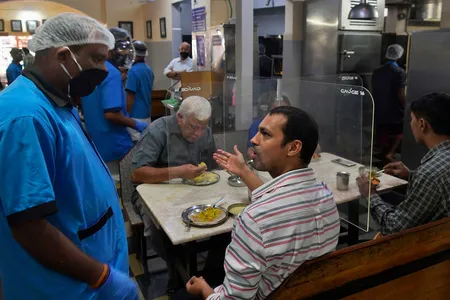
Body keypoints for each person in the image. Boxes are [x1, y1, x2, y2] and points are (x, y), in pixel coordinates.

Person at [0, 13, 137, 299]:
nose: (105, 69)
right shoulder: (24, 116)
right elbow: (30, 227)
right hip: (66, 287)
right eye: (97, 59)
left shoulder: (59, 102)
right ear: (63, 55)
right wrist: (101, 276)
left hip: (93, 266)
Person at [187, 106, 340, 299]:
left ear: (293, 147)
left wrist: (204, 289)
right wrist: (244, 170)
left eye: (265, 134)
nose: (253, 139)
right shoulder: (326, 197)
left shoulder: (254, 220)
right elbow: (277, 199)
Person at [131, 96, 220, 292]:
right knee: (158, 228)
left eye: (202, 127)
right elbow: (137, 174)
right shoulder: (158, 129)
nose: (198, 133)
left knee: (224, 218)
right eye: (193, 127)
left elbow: (213, 168)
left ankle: (209, 273)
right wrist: (178, 172)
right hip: (150, 192)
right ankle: (178, 269)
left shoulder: (204, 133)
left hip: (191, 190)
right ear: (179, 117)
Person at [357, 93, 450, 236]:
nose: (410, 124)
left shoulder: (430, 174)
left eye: (412, 119)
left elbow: (394, 228)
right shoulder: (436, 168)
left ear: (422, 124)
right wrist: (411, 175)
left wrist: (370, 195)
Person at [82, 27, 148, 177]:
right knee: (121, 186)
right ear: (109, 48)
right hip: (115, 145)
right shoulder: (110, 73)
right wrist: (138, 125)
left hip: (98, 143)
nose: (125, 53)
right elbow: (111, 114)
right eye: (122, 48)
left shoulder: (91, 69)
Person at [372, 44, 407, 162]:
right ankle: (390, 153)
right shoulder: (399, 72)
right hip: (394, 109)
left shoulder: (377, 71)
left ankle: (382, 152)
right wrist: (407, 106)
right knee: (401, 131)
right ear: (400, 55)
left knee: (383, 131)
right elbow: (400, 93)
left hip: (379, 107)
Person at [126, 40, 154, 141]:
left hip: (135, 116)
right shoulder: (148, 70)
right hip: (147, 115)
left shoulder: (132, 72)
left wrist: (125, 115)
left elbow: (130, 96)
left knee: (136, 148)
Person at [247, 94, 291, 158]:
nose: (279, 112)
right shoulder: (258, 124)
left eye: (283, 109)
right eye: (275, 108)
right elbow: (250, 150)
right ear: (270, 109)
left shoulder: (292, 125)